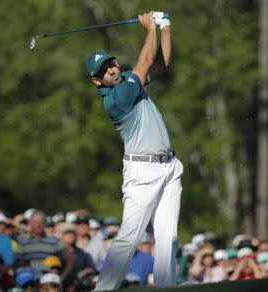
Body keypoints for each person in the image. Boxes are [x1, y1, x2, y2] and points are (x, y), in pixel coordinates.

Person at [86, 11, 183, 290]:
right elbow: (145, 59)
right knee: (129, 237)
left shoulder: (130, 79)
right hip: (142, 174)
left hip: (169, 168)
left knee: (168, 238)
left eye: (111, 64)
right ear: (97, 81)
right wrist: (150, 27)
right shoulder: (117, 99)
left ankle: (166, 286)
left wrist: (165, 28)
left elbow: (162, 62)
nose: (111, 71)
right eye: (104, 71)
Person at [14, 210, 74, 281]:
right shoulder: (21, 241)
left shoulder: (54, 240)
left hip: (49, 282)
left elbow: (69, 259)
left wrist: (61, 277)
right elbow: (16, 262)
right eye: (35, 222)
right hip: (29, 283)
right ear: (30, 223)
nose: (38, 225)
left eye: (41, 222)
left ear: (45, 223)